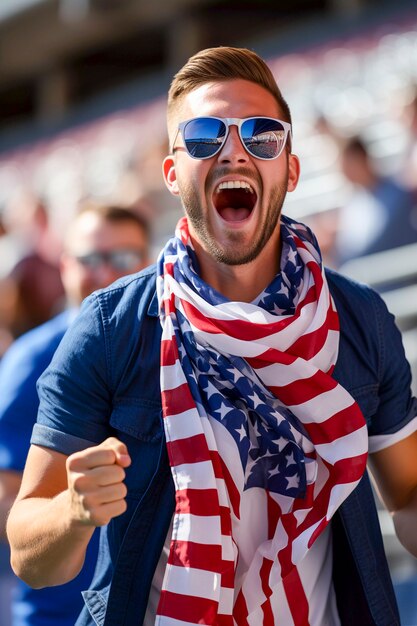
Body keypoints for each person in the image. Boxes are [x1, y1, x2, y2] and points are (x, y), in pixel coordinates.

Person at [6, 46, 417, 626]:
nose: (233, 152)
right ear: (173, 174)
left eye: (262, 135)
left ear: (291, 169)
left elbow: (407, 500)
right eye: (202, 136)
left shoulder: (359, 319)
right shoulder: (110, 329)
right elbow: (29, 553)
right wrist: (73, 511)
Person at [0, 202, 150, 626]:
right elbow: (7, 502)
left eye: (120, 259)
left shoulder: (168, 348)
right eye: (88, 259)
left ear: (148, 263)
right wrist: (73, 507)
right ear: (64, 265)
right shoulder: (32, 361)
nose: (103, 273)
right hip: (64, 612)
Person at [334, 136, 417, 267]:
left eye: (348, 164)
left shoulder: (397, 193)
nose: (345, 172)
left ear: (361, 159)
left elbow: (385, 240)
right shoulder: (354, 204)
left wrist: (347, 263)